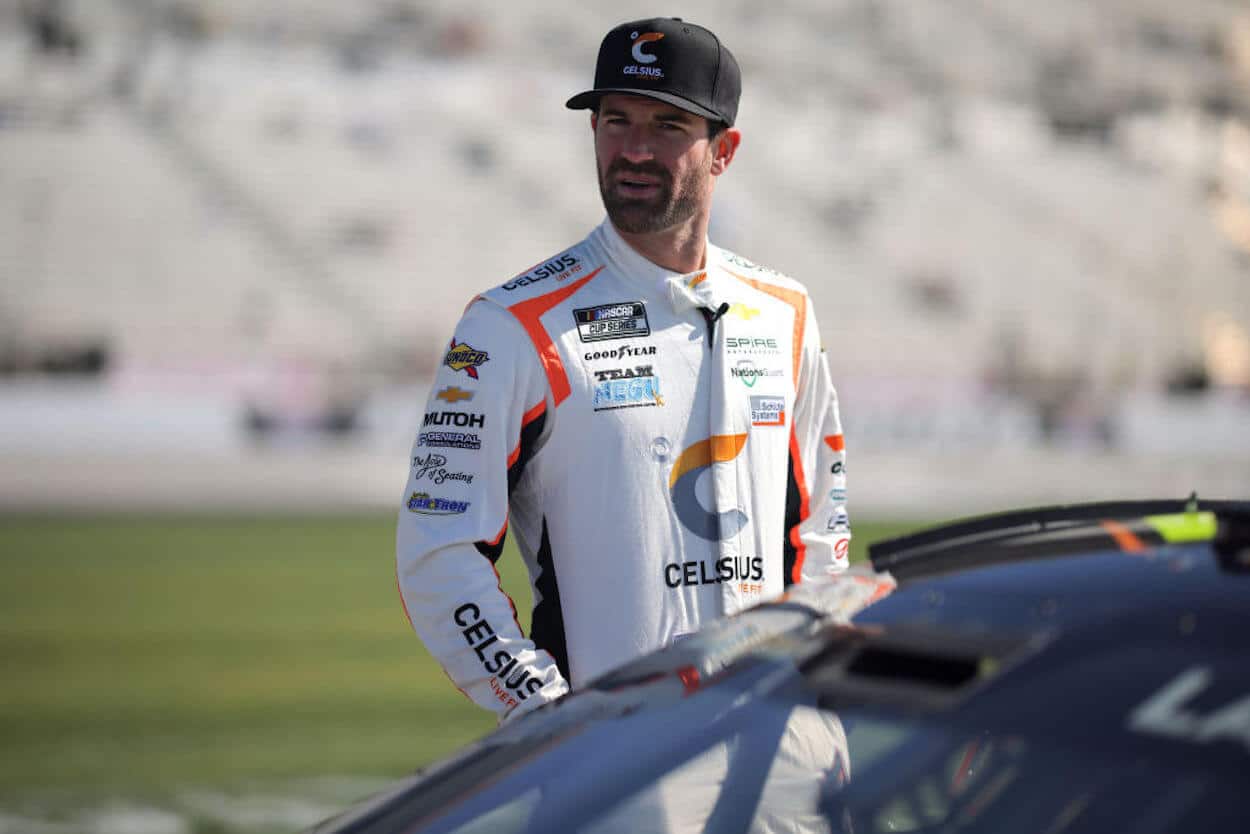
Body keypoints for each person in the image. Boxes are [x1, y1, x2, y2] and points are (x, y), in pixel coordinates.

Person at [396, 17, 851, 723]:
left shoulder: (785, 312)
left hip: (777, 749)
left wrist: (816, 697)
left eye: (669, 125)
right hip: (614, 770)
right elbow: (438, 553)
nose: (634, 149)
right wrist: (545, 712)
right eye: (616, 120)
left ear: (723, 151)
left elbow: (821, 533)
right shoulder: (510, 326)